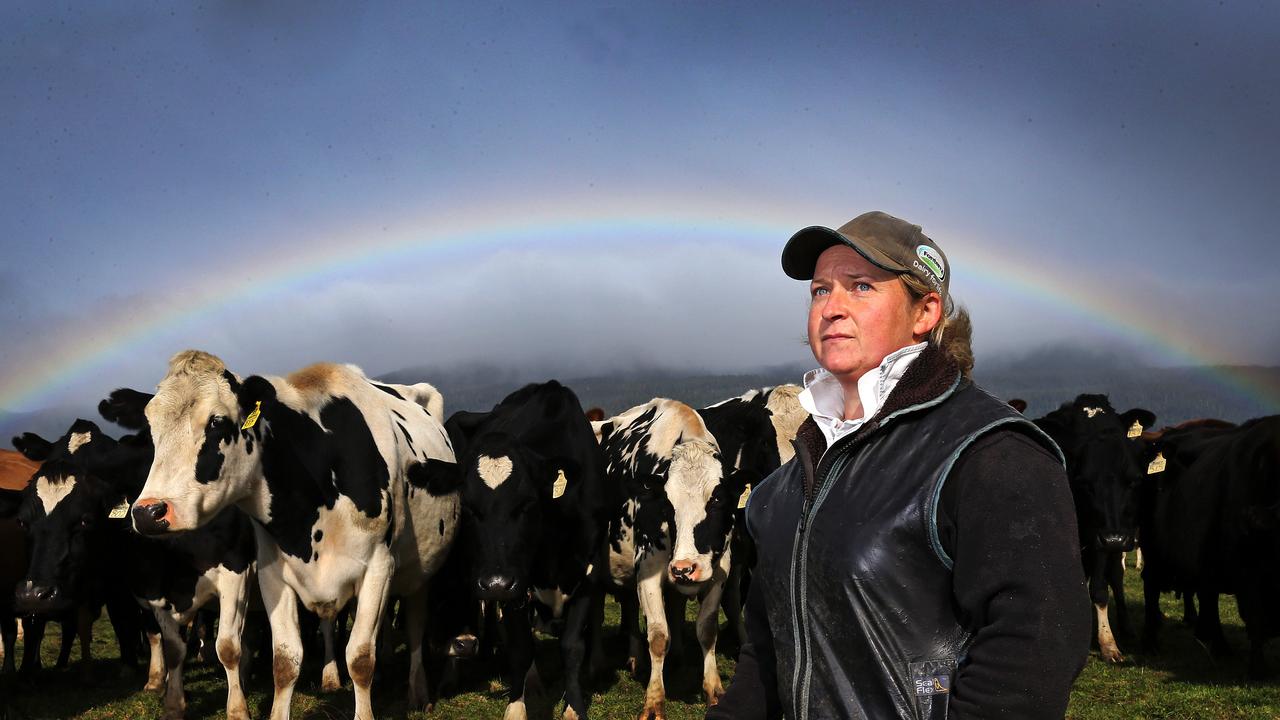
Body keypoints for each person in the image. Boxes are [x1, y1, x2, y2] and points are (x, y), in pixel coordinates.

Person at [708, 211, 1089, 719]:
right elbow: (764, 652)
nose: (832, 308)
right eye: (821, 290)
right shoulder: (781, 489)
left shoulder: (989, 453)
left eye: (861, 287)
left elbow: (1034, 645)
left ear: (925, 312)